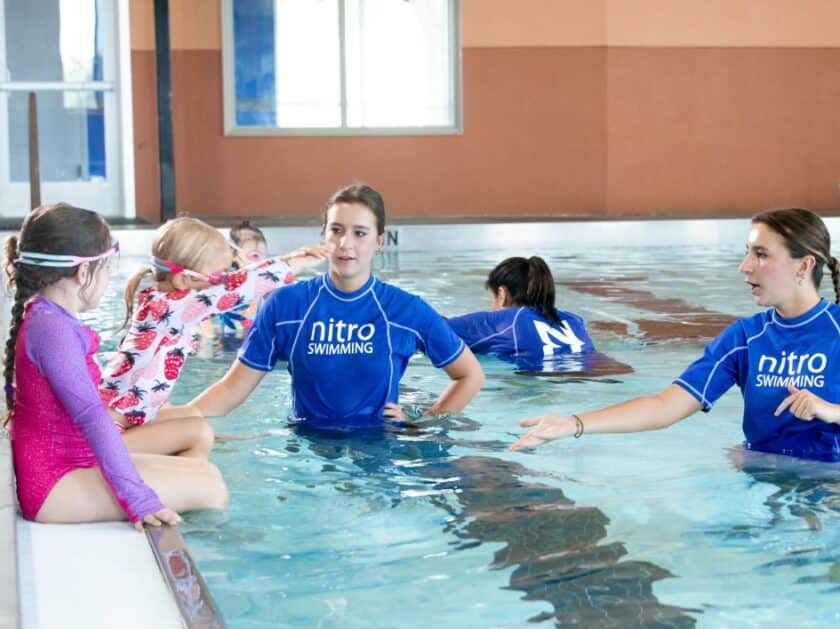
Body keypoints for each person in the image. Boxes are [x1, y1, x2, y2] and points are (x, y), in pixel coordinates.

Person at [512, 208, 840, 459]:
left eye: (761, 254)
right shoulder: (746, 338)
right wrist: (574, 424)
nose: (745, 266)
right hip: (763, 480)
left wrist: (835, 412)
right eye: (747, 252)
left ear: (804, 265)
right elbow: (664, 407)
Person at [3, 203, 227, 528]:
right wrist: (139, 499)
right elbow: (93, 418)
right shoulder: (52, 330)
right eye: (107, 267)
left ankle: (178, 530)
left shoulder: (50, 319)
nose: (109, 278)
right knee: (211, 488)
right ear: (83, 273)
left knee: (207, 473)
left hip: (70, 463)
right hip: (54, 485)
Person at [190, 184, 485, 427]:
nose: (346, 243)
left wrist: (425, 422)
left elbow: (470, 375)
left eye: (360, 233)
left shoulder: (405, 311)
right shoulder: (287, 306)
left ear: (379, 241)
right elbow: (230, 390)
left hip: (379, 453)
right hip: (309, 457)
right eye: (336, 230)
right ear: (325, 235)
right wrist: (169, 418)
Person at [101, 216, 325, 455]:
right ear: (183, 279)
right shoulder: (173, 307)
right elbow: (237, 288)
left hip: (124, 417)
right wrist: (292, 263)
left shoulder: (159, 300)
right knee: (200, 436)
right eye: (217, 277)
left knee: (200, 430)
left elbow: (232, 283)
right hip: (111, 429)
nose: (223, 281)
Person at [447, 256, 632, 376]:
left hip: (535, 388)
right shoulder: (574, 321)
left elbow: (432, 326)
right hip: (599, 378)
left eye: (492, 298)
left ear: (502, 294)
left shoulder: (507, 320)